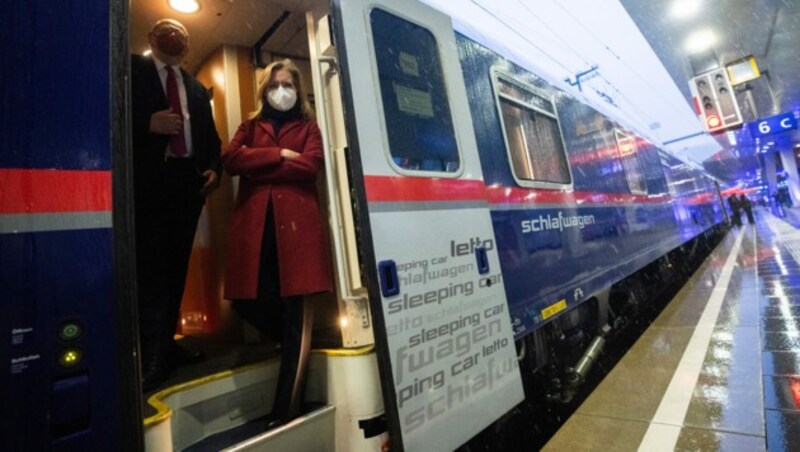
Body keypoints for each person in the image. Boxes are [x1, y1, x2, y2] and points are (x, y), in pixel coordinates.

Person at [222, 59, 333, 428]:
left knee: (295, 311)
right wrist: (280, 155)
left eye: (287, 84)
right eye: (274, 85)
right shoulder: (250, 126)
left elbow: (311, 167)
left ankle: (286, 412)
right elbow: (231, 160)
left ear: (297, 91)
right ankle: (291, 339)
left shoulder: (309, 127)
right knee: (246, 302)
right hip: (258, 228)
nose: (281, 91)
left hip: (298, 232)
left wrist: (261, 166)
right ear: (264, 90)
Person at [131, 19, 222, 391]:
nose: (175, 36)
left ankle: (166, 347)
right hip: (148, 185)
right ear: (152, 38)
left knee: (176, 270)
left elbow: (213, 140)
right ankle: (149, 355)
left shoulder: (197, 88)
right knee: (149, 271)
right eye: (166, 30)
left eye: (182, 34)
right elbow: (103, 117)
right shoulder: (129, 71)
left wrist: (215, 170)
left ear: (187, 48)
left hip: (187, 188)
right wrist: (146, 123)